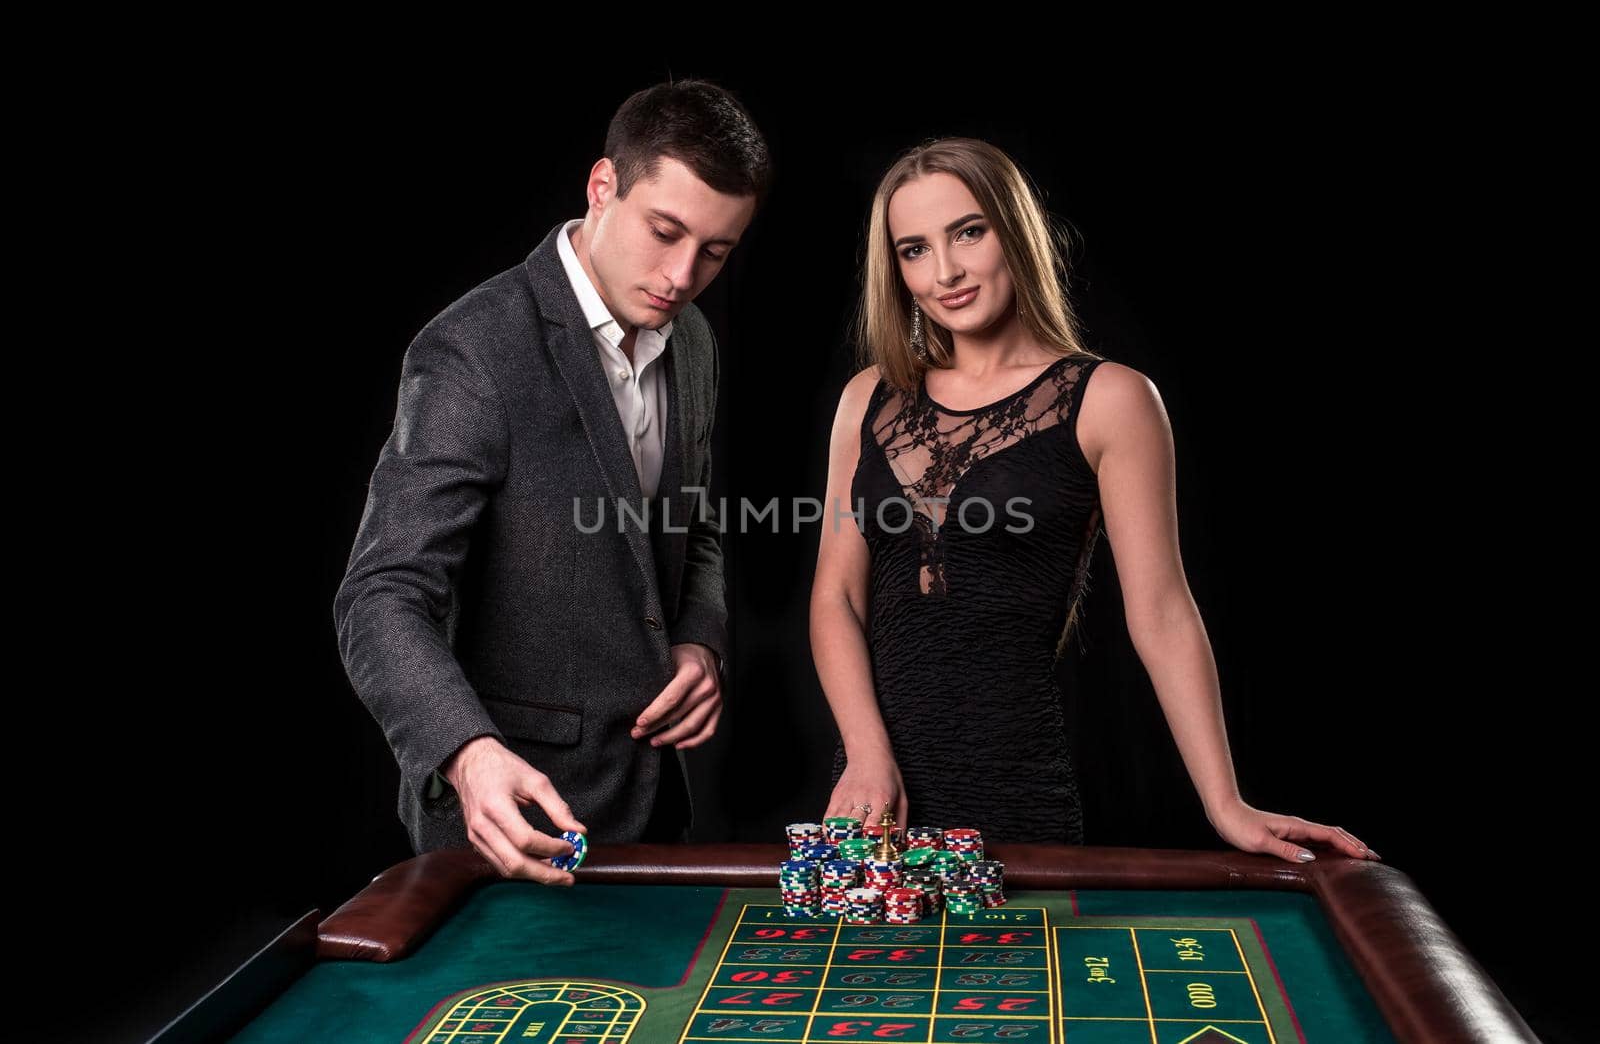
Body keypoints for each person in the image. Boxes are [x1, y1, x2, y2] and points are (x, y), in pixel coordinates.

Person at [809, 137, 1377, 864]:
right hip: (872, 794)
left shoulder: (1113, 400)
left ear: (1015, 231)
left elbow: (1163, 610)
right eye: (914, 249)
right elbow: (837, 598)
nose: (945, 271)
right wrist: (865, 755)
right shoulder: (869, 398)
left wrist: (1225, 802)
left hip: (1015, 790)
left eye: (968, 232)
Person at [333, 80, 770, 885]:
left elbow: (695, 521)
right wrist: (465, 754)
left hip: (657, 819)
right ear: (603, 186)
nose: (681, 276)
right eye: (665, 231)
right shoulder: (474, 349)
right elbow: (380, 594)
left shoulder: (694, 340)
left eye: (715, 251)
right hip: (507, 830)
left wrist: (701, 637)